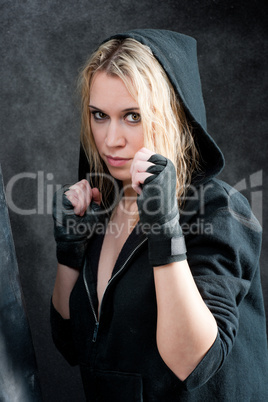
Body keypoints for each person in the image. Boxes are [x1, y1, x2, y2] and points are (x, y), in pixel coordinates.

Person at [50, 29, 268, 401]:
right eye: (99, 115)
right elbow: (72, 344)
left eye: (132, 116)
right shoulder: (104, 205)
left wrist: (164, 228)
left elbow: (195, 362)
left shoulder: (219, 209)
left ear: (171, 115)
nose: (111, 139)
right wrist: (70, 251)